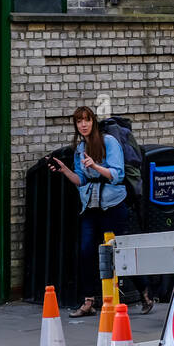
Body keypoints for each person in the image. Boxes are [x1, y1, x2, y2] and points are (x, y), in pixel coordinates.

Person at [49, 105, 129, 318]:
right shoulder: (79, 149)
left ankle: (145, 291)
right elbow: (80, 180)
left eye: (86, 120)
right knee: (86, 251)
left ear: (93, 122)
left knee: (117, 251)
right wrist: (64, 170)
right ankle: (89, 301)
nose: (83, 125)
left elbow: (117, 174)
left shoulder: (108, 142)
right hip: (90, 205)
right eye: (78, 121)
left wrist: (94, 166)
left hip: (112, 203)